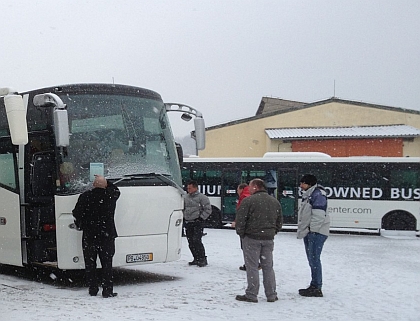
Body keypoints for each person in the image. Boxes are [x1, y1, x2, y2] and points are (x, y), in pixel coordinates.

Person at [235, 178, 283, 303]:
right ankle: (271, 294)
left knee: (252, 267)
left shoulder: (248, 201)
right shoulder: (274, 202)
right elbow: (279, 222)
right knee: (268, 267)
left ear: (255, 187)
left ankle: (252, 294)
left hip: (251, 238)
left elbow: (241, 220)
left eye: (250, 187)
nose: (249, 189)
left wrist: (241, 233)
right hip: (268, 239)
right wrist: (272, 232)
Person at [72, 175, 121, 298]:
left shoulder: (85, 196)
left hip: (90, 235)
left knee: (90, 263)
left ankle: (93, 288)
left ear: (93, 185)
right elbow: (116, 190)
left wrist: (81, 224)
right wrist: (106, 181)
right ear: (105, 186)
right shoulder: (110, 196)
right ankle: (107, 290)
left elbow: (76, 213)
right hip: (107, 235)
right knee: (107, 263)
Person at [297, 174, 330, 298]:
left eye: (303, 183)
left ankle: (316, 287)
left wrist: (313, 231)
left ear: (309, 184)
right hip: (311, 232)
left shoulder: (318, 195)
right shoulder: (310, 194)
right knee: (312, 259)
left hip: (316, 233)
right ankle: (314, 285)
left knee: (314, 259)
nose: (301, 186)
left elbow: (318, 215)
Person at [183, 180, 212, 267]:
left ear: (195, 188)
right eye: (187, 188)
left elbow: (208, 209)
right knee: (190, 241)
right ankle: (196, 258)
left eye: (190, 188)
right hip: (188, 222)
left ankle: (202, 258)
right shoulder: (185, 197)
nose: (188, 190)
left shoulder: (202, 198)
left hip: (197, 222)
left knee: (197, 240)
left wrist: (201, 218)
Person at [231, 183, 253, 271]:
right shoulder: (250, 194)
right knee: (250, 245)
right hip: (251, 225)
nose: (237, 192)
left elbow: (242, 212)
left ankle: (250, 264)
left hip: (245, 226)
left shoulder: (244, 197)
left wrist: (237, 222)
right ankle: (252, 263)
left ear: (241, 189)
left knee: (245, 246)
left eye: (237, 190)